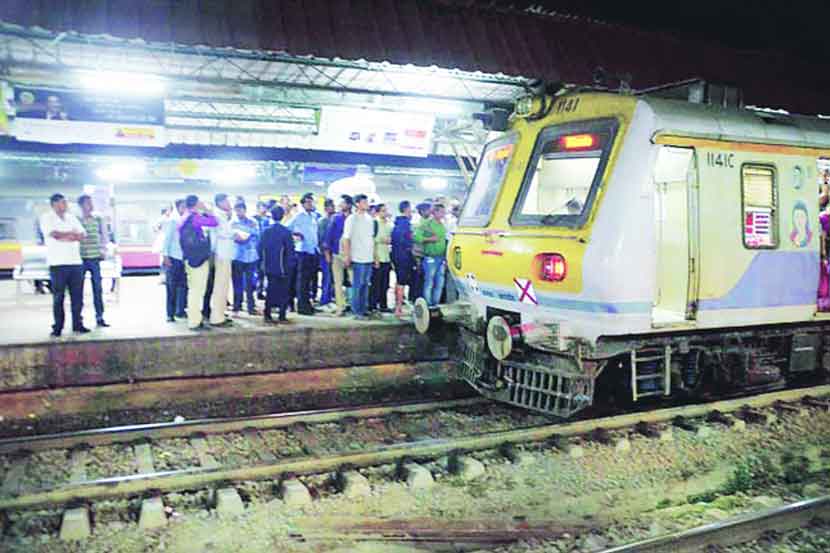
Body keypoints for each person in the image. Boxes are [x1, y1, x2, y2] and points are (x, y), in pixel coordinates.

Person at [40, 193, 88, 337]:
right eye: (62, 202)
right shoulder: (47, 218)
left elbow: (82, 235)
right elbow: (54, 234)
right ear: (54, 204)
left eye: (66, 202)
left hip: (75, 262)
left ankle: (77, 324)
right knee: (58, 297)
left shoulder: (71, 217)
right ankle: (58, 327)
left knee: (77, 297)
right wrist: (71, 235)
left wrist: (67, 236)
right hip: (57, 264)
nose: (65, 205)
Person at [179, 195, 218, 331]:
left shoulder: (184, 217)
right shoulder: (194, 218)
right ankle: (195, 322)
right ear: (196, 203)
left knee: (193, 290)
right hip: (198, 259)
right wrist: (207, 210)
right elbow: (214, 222)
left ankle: (194, 319)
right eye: (200, 202)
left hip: (189, 257)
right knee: (197, 291)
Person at [77, 195, 110, 328]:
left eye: (91, 203)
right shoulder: (77, 220)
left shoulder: (98, 219)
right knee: (78, 290)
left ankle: (100, 317)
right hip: (80, 258)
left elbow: (104, 236)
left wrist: (103, 250)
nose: (91, 206)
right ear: (81, 205)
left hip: (95, 258)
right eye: (87, 203)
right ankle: (78, 319)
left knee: (97, 288)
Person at [342, 194, 375, 319]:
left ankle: (363, 308)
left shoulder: (369, 219)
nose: (367, 204)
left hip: (368, 256)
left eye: (367, 202)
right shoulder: (351, 219)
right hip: (357, 256)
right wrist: (347, 255)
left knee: (366, 284)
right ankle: (356, 311)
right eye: (364, 202)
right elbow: (346, 239)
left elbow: (371, 238)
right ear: (357, 204)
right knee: (358, 284)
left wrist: (374, 256)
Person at [260, 205, 295, 323]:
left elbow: (260, 248)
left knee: (270, 290)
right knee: (284, 291)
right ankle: (281, 315)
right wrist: (291, 265)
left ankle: (267, 314)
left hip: (269, 265)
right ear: (283, 215)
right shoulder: (286, 232)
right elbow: (290, 251)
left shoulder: (266, 231)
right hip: (284, 266)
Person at [289, 192, 319, 315]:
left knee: (310, 281)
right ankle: (302, 307)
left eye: (312, 202)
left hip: (313, 251)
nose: (311, 204)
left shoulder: (313, 216)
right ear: (303, 204)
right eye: (308, 202)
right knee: (303, 281)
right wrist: (295, 235)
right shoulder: (298, 216)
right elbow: (287, 229)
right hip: (303, 252)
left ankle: (307, 304)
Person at [208, 193, 235, 327]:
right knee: (220, 286)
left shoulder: (222, 215)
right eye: (227, 201)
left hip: (224, 253)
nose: (229, 204)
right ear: (220, 202)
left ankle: (220, 314)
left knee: (224, 286)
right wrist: (235, 234)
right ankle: (217, 318)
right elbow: (225, 233)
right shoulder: (218, 216)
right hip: (222, 254)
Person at [324, 195, 353, 316]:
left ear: (349, 205)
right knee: (338, 282)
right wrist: (327, 253)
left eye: (343, 203)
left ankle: (354, 305)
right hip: (337, 253)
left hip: (352, 254)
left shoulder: (354, 218)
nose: (341, 205)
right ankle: (340, 307)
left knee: (354, 282)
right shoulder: (336, 218)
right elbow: (329, 235)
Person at [414, 203, 448, 306]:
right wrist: (429, 239)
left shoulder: (443, 225)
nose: (443, 214)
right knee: (429, 282)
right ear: (435, 212)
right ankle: (428, 305)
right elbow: (416, 237)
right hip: (430, 258)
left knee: (440, 283)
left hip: (441, 257)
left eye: (444, 212)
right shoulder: (426, 224)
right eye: (441, 212)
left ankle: (435, 303)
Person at [231, 201, 260, 315]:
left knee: (250, 283)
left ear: (245, 210)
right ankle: (237, 306)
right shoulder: (232, 223)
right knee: (237, 283)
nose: (238, 213)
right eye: (236, 210)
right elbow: (230, 236)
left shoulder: (253, 222)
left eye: (240, 210)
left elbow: (257, 236)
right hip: (237, 256)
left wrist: (246, 238)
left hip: (251, 256)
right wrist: (237, 238)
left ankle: (251, 307)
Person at [162, 198, 188, 322]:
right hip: (173, 257)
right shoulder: (172, 221)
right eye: (183, 207)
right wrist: (165, 256)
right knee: (171, 287)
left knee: (183, 286)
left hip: (184, 258)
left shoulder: (186, 220)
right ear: (177, 207)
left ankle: (180, 310)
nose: (185, 209)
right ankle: (170, 314)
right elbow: (166, 239)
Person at [391, 200, 415, 318]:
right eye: (411, 209)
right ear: (406, 209)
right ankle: (399, 309)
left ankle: (398, 306)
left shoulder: (396, 223)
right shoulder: (405, 225)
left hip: (396, 256)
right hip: (403, 257)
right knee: (401, 283)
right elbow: (406, 242)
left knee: (399, 282)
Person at [369, 203, 393, 314]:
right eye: (383, 211)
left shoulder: (389, 224)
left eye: (386, 210)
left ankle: (383, 305)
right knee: (375, 284)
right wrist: (375, 258)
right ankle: (372, 305)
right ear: (378, 212)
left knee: (385, 284)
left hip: (386, 257)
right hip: (378, 257)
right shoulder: (375, 223)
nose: (385, 213)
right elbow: (372, 240)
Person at [410, 202, 432, 302]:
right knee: (418, 277)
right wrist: (430, 239)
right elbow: (416, 238)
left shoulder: (429, 222)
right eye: (428, 210)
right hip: (418, 254)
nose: (430, 212)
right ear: (422, 211)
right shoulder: (418, 223)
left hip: (425, 254)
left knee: (423, 278)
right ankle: (416, 298)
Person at [317, 198, 336, 307]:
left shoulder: (336, 219)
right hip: (326, 254)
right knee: (327, 278)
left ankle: (331, 298)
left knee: (334, 278)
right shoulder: (323, 221)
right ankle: (324, 300)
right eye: (330, 206)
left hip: (336, 253)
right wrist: (326, 254)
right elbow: (322, 240)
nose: (333, 208)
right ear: (325, 208)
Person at [253, 201, 272, 300]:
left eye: (265, 207)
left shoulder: (268, 220)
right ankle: (257, 290)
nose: (264, 210)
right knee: (257, 271)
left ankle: (262, 290)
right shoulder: (253, 219)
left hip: (267, 249)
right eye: (262, 207)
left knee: (264, 271)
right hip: (256, 248)